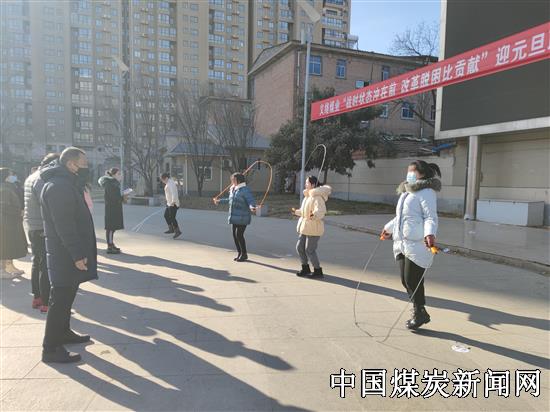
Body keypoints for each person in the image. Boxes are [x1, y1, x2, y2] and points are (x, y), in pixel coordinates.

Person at [40, 147, 98, 363]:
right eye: (84, 164)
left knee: (67, 296)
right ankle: (50, 348)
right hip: (64, 254)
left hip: (67, 253)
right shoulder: (59, 187)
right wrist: (77, 254)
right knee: (60, 300)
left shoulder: (67, 184)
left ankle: (63, 333)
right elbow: (64, 226)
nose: (86, 168)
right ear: (71, 164)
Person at [381, 160, 441, 330]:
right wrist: (388, 229)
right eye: (408, 171)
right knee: (405, 280)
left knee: (412, 279)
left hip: (417, 243)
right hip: (401, 242)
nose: (409, 174)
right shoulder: (407, 191)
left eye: (412, 172)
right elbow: (401, 217)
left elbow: (430, 217)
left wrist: (430, 234)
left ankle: (419, 311)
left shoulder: (427, 192)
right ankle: (420, 311)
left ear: (422, 174)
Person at [23, 153, 59, 311]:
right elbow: (46, 203)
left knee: (37, 262)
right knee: (45, 265)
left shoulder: (31, 176)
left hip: (33, 225)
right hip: (42, 227)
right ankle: (45, 302)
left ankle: (37, 298)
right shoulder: (42, 179)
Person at [292, 176, 332, 278]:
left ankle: (318, 270)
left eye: (307, 183)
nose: (305, 184)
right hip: (305, 227)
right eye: (306, 183)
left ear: (313, 185)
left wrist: (314, 215)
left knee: (309, 250)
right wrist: (296, 212)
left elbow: (321, 212)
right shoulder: (307, 196)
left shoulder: (317, 197)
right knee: (299, 248)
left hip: (314, 228)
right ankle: (305, 268)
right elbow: (304, 211)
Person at [213, 173, 257, 262]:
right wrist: (219, 201)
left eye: (233, 180)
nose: (231, 181)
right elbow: (230, 200)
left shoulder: (245, 190)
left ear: (238, 180)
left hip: (242, 217)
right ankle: (240, 253)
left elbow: (251, 200)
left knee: (239, 235)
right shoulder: (234, 189)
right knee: (235, 236)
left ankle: (244, 254)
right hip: (234, 216)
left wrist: (252, 207)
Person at [0, 168, 28, 279]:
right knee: (5, 246)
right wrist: (18, 212)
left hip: (10, 221)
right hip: (5, 222)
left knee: (10, 246)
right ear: (5, 176)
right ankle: (2, 269)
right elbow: (3, 206)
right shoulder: (4, 189)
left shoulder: (9, 187)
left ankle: (9, 266)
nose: (13, 177)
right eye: (11, 175)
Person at [98, 168, 124, 254]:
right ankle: (109, 246)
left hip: (114, 208)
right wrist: (122, 198)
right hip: (111, 209)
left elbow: (115, 197)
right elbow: (113, 197)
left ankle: (111, 244)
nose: (121, 176)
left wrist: (122, 198)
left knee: (113, 228)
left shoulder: (113, 184)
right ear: (113, 175)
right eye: (118, 174)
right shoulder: (110, 184)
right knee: (110, 228)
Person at [160, 172, 181, 239]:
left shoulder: (171, 183)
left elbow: (174, 193)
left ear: (166, 178)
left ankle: (177, 231)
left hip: (173, 204)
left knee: (172, 217)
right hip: (169, 203)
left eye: (163, 180)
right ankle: (171, 229)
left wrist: (173, 201)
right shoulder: (168, 183)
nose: (162, 181)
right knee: (166, 215)